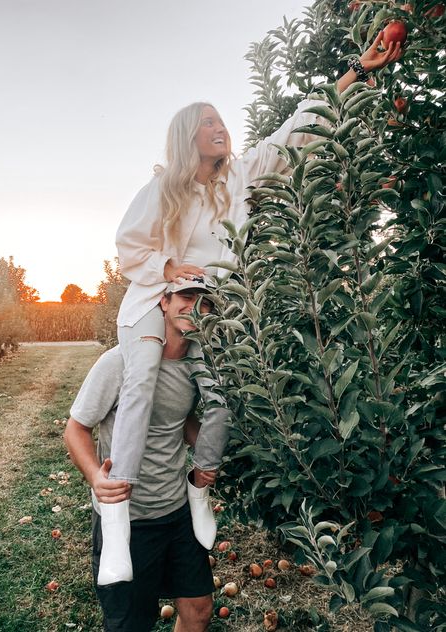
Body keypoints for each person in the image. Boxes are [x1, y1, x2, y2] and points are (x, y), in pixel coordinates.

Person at [103, 30, 403, 584]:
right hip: (154, 300)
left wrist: (360, 71)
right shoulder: (165, 187)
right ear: (187, 137)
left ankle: (200, 490)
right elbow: (127, 245)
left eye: (223, 122)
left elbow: (298, 127)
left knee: (219, 403)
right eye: (209, 123)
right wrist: (170, 270)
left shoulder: (239, 176)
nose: (221, 129)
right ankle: (116, 516)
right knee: (141, 384)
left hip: (211, 313)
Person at [64, 279, 230, 632]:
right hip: (131, 518)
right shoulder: (119, 362)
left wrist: (208, 452)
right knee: (132, 624)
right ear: (164, 303)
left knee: (199, 609)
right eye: (186, 297)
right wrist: (96, 477)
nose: (195, 308)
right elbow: (75, 429)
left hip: (176, 510)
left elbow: (177, 418)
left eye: (205, 304)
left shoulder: (196, 370)